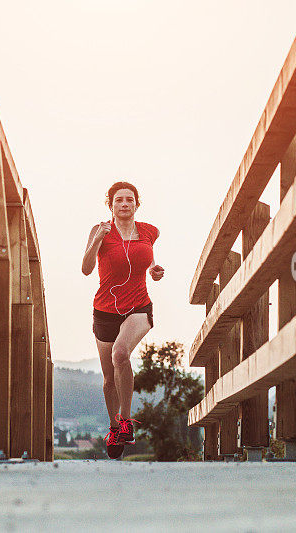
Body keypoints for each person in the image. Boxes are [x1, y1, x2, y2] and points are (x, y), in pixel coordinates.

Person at [81, 181, 164, 459]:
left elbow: (146, 259)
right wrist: (97, 240)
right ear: (111, 205)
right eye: (119, 200)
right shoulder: (100, 230)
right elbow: (86, 269)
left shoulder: (150, 231)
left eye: (130, 199)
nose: (124, 204)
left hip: (138, 307)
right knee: (108, 380)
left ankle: (126, 422)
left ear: (137, 204)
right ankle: (115, 427)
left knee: (120, 354)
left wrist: (154, 270)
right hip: (104, 310)